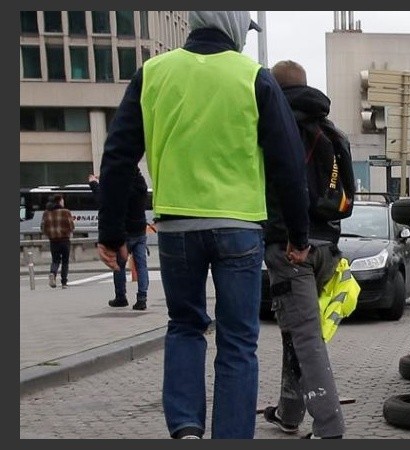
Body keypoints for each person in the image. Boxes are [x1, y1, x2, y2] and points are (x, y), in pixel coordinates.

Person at [96, 11, 311, 439]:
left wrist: (112, 233)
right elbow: (288, 163)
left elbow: (118, 155)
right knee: (237, 341)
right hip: (239, 228)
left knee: (184, 326)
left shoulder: (152, 74)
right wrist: (298, 236)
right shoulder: (254, 78)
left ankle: (187, 428)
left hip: (176, 228)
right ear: (232, 26)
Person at [260, 59, 346, 440]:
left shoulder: (278, 124)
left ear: (275, 90)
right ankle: (289, 413)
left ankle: (329, 427)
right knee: (296, 331)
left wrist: (292, 236)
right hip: (328, 244)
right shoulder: (330, 130)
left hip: (292, 245)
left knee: (306, 335)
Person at [89, 171, 150, 310]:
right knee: (141, 266)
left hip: (124, 233)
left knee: (119, 265)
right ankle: (142, 298)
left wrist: (94, 184)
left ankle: (121, 296)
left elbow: (103, 201)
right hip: (140, 230)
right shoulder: (141, 184)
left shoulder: (120, 187)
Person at [41, 194, 75, 289]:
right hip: (64, 240)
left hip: (53, 240)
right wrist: (68, 232)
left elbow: (43, 228)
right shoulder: (66, 212)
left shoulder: (47, 213)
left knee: (55, 260)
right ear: (59, 201)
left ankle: (53, 273)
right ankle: (64, 282)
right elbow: (71, 226)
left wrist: (49, 235)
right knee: (65, 261)